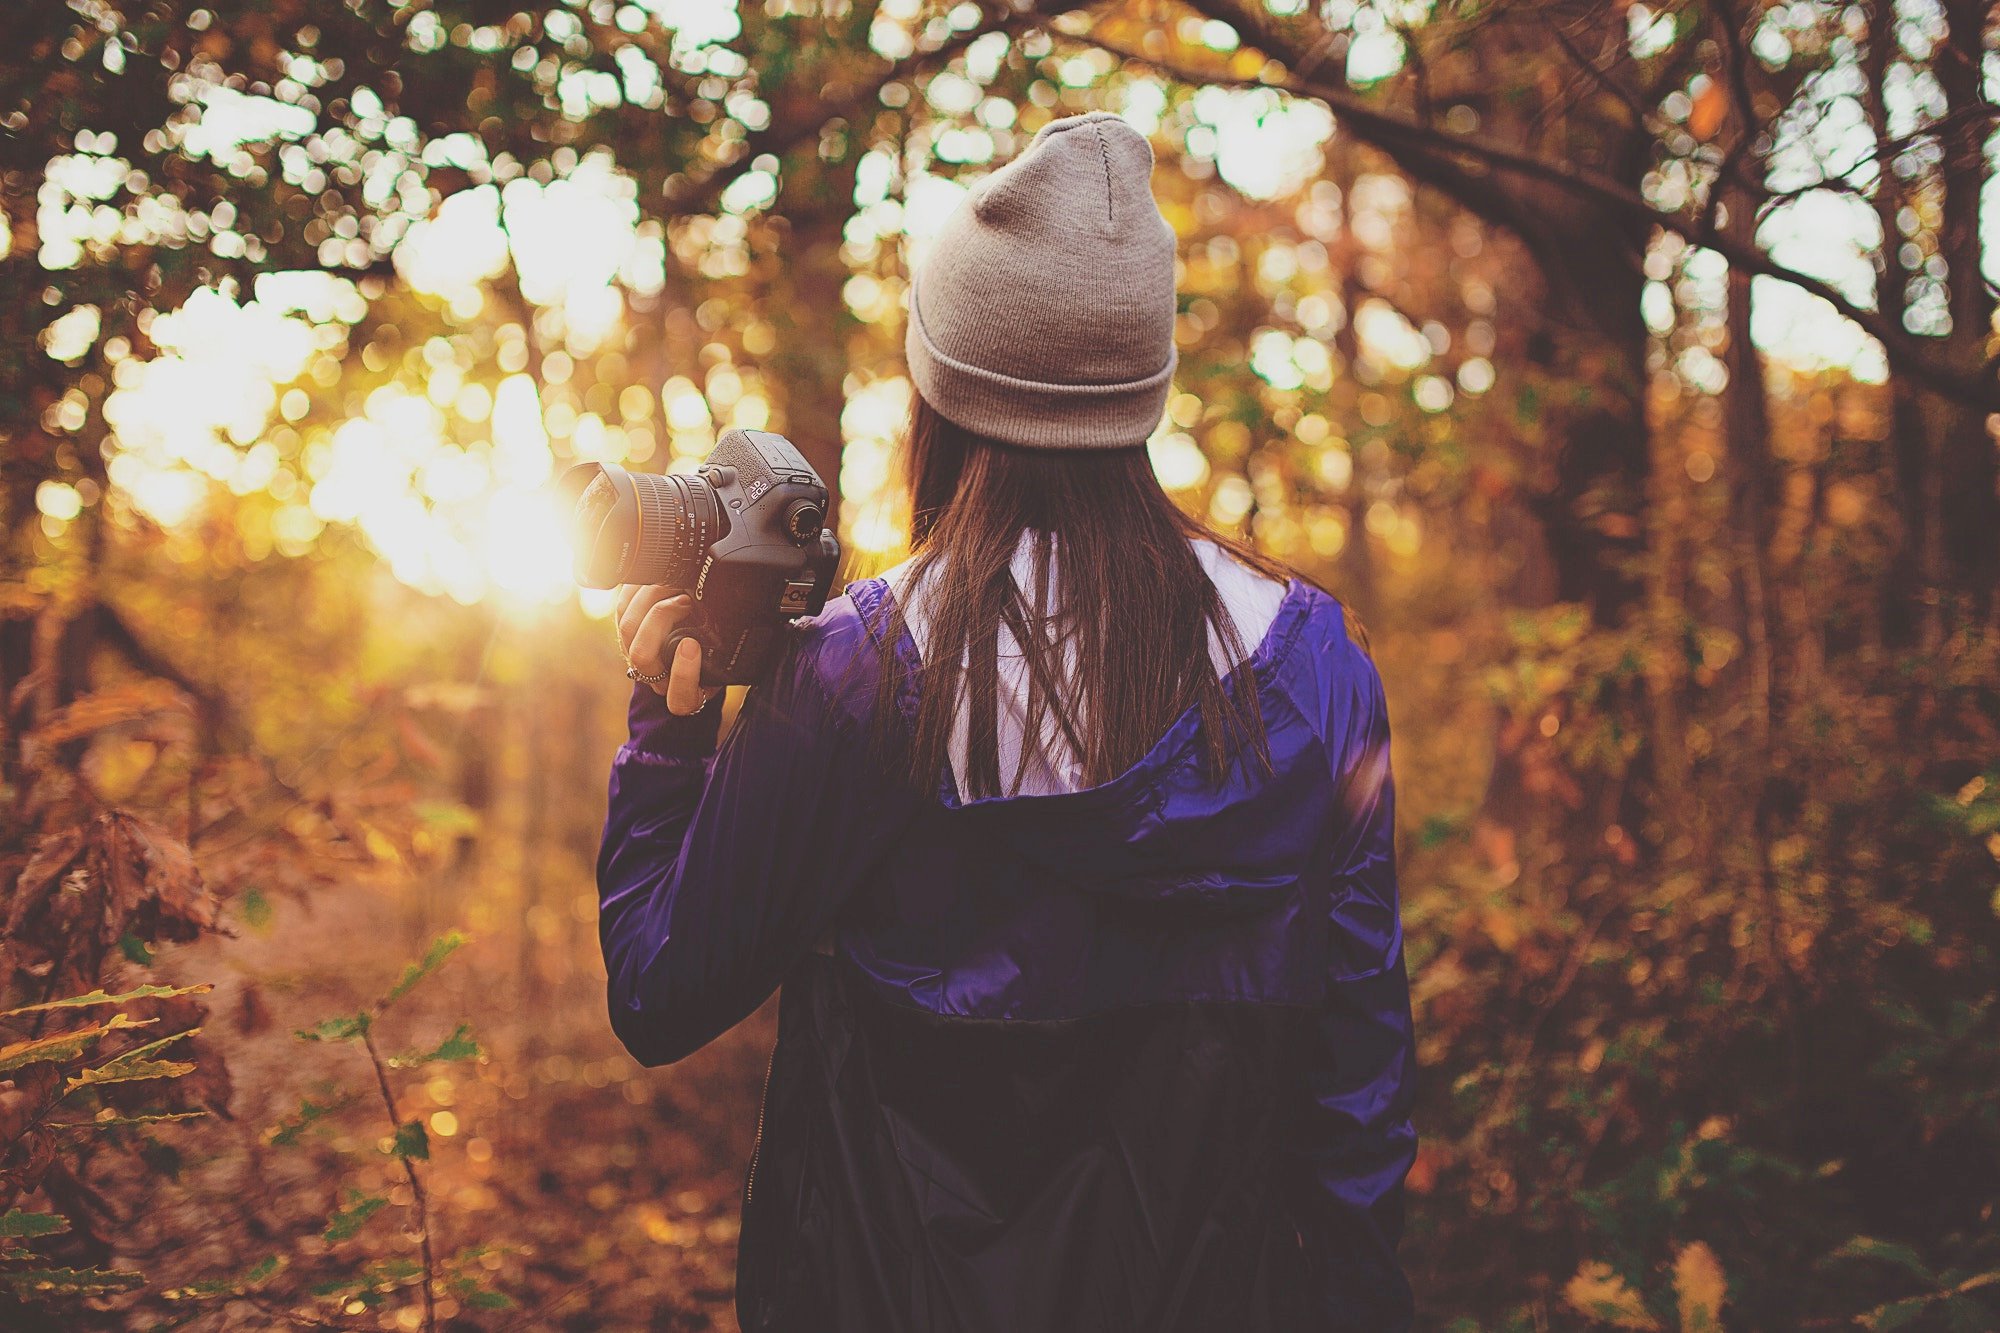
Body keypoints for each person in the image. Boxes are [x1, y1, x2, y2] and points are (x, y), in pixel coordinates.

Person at [596, 111, 1418, 1333]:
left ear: (940, 390)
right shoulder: (1315, 669)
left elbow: (659, 993)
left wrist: (668, 728)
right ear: (1143, 388)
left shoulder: (855, 675)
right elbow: (1356, 1077)